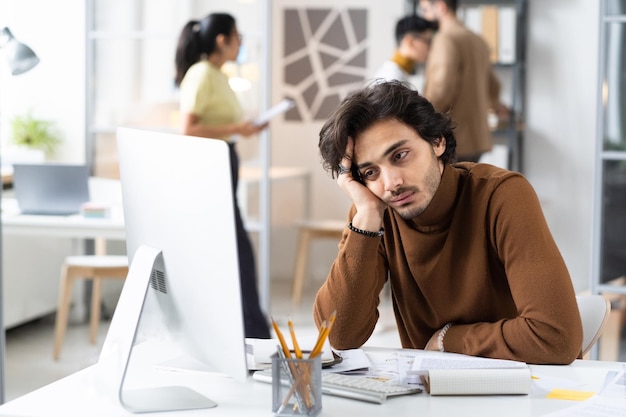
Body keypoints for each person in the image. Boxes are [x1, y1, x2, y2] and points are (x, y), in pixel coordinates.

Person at [313, 81, 582, 365]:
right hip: (432, 396)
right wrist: (366, 216)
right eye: (371, 171)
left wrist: (448, 340)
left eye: (400, 155)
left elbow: (556, 337)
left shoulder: (501, 195)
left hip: (524, 391)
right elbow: (338, 337)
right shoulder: (373, 213)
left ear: (437, 141)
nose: (391, 183)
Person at [174, 13, 270, 339]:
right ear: (221, 40)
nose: (241, 43)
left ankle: (248, 332)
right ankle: (254, 334)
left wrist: (245, 129)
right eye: (237, 36)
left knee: (234, 252)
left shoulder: (217, 74)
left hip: (222, 163)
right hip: (209, 170)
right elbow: (188, 129)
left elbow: (217, 125)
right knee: (237, 252)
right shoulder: (202, 74)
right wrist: (236, 129)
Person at [418, 0, 508, 162]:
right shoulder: (478, 40)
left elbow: (441, 89)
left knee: (448, 187)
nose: (424, 16)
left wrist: (421, 123)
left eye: (425, 10)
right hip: (478, 137)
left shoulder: (445, 39)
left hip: (453, 138)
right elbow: (493, 86)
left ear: (440, 6)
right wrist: (494, 107)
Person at [373, 15, 438, 85]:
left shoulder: (396, 73)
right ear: (409, 42)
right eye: (428, 41)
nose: (430, 47)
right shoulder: (392, 78)